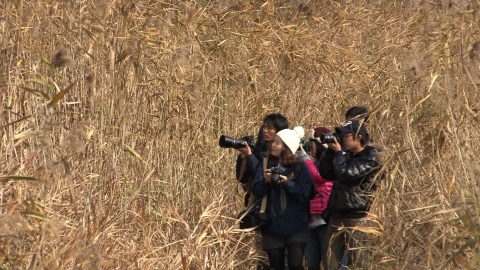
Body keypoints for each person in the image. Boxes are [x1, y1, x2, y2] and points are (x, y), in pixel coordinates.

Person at [319, 120, 381, 270]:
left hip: (357, 218)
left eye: (346, 135)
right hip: (336, 216)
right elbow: (325, 173)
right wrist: (329, 151)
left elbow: (346, 175)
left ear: (358, 137)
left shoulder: (371, 156)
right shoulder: (345, 155)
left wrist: (339, 153)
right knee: (329, 263)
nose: (343, 139)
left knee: (357, 265)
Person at [252, 129, 313, 270]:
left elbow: (304, 195)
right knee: (276, 266)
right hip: (272, 224)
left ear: (287, 147)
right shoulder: (266, 164)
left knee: (295, 264)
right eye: (274, 142)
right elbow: (256, 191)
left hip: (297, 225)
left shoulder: (300, 167)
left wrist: (287, 182)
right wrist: (265, 181)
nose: (273, 145)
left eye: (278, 143)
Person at [235, 113, 289, 270]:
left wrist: (251, 157)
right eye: (264, 127)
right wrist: (244, 157)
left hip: (280, 213)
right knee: (263, 256)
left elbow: (261, 171)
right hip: (260, 209)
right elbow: (245, 179)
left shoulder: (288, 155)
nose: (265, 131)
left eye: (270, 128)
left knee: (282, 259)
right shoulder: (260, 148)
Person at [303, 127, 335, 270]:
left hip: (325, 219)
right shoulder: (313, 163)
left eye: (312, 144)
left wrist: (304, 159)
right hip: (312, 220)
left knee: (330, 261)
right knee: (312, 263)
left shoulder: (329, 163)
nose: (310, 148)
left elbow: (318, 177)